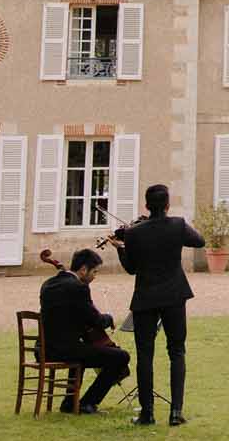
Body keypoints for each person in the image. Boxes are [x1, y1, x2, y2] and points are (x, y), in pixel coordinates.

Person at [111, 183, 205, 427]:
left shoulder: (134, 233)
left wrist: (122, 248)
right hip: (174, 295)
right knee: (177, 352)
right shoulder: (177, 225)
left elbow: (131, 268)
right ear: (167, 205)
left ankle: (147, 413)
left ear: (146, 206)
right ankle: (176, 412)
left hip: (146, 297)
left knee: (145, 355)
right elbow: (199, 241)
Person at [39, 247, 129, 414]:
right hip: (63, 350)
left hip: (43, 349)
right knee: (121, 357)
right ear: (83, 269)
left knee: (82, 351)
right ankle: (88, 403)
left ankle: (69, 402)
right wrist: (108, 318)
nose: (95, 276)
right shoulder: (79, 288)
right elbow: (95, 320)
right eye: (94, 272)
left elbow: (70, 315)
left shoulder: (48, 284)